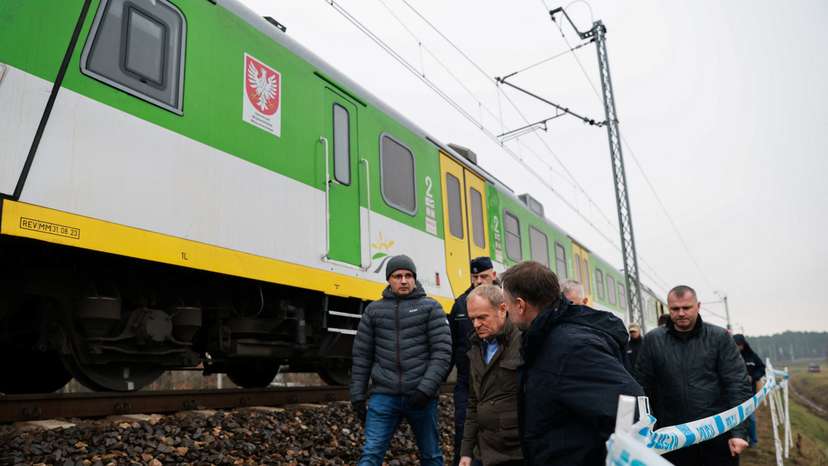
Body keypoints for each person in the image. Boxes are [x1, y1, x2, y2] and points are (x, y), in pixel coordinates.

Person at [500, 261, 644, 465]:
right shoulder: (546, 338)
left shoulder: (570, 347)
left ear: (521, 305)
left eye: (507, 304)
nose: (507, 312)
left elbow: (631, 405)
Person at [349, 254, 452, 466]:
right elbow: (362, 356)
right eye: (397, 276)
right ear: (389, 280)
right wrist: (357, 396)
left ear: (414, 279)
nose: (403, 280)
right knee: (370, 454)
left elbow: (442, 352)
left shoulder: (431, 308)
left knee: (431, 455)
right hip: (384, 396)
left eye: (408, 276)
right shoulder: (374, 311)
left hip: (421, 396)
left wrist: (425, 389)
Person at [635, 285, 753, 466]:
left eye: (686, 308)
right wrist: (643, 432)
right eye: (675, 309)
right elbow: (643, 388)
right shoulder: (653, 340)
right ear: (669, 308)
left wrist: (739, 433)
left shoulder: (719, 338)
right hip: (670, 440)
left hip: (717, 437)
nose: (681, 313)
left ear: (698, 306)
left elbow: (737, 384)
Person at [458, 285, 523, 466]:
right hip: (484, 452)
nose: (476, 324)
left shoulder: (523, 341)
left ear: (502, 309)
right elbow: (473, 403)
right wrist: (465, 452)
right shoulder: (476, 347)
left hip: (516, 453)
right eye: (472, 319)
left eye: (482, 317)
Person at [448, 256, 497, 466]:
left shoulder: (507, 301)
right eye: (475, 277)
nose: (478, 281)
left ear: (493, 275)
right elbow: (450, 346)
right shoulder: (460, 305)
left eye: (483, 276)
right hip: (467, 384)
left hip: (499, 384)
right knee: (464, 433)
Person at [733, 334, 766, 446]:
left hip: (748, 393)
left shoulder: (752, 356)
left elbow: (761, 368)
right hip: (731, 393)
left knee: (750, 418)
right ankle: (740, 439)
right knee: (736, 419)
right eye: (735, 345)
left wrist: (753, 377)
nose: (737, 347)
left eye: (739, 345)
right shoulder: (728, 356)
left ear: (743, 345)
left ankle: (753, 441)